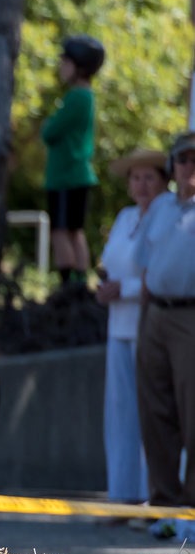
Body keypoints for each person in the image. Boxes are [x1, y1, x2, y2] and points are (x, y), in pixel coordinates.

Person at [94, 149, 166, 511]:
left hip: (153, 323)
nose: (141, 185)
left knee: (151, 409)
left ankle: (153, 493)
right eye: (136, 178)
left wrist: (129, 289)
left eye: (149, 177)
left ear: (163, 180)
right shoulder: (124, 217)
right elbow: (110, 263)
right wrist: (108, 287)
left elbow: (166, 272)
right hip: (119, 323)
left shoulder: (170, 216)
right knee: (120, 410)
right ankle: (122, 494)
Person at [134, 132, 195, 519]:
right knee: (154, 409)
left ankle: (191, 505)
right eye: (184, 159)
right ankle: (163, 502)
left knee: (193, 411)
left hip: (191, 316)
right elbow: (146, 265)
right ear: (172, 166)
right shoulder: (159, 208)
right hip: (155, 313)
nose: (190, 167)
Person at [42, 35, 105, 286]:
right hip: (75, 174)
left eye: (65, 62)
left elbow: (50, 132)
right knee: (74, 229)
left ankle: (69, 284)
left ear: (79, 66)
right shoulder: (84, 97)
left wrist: (49, 125)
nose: (61, 67)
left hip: (65, 175)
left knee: (60, 230)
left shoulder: (77, 97)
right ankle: (79, 280)